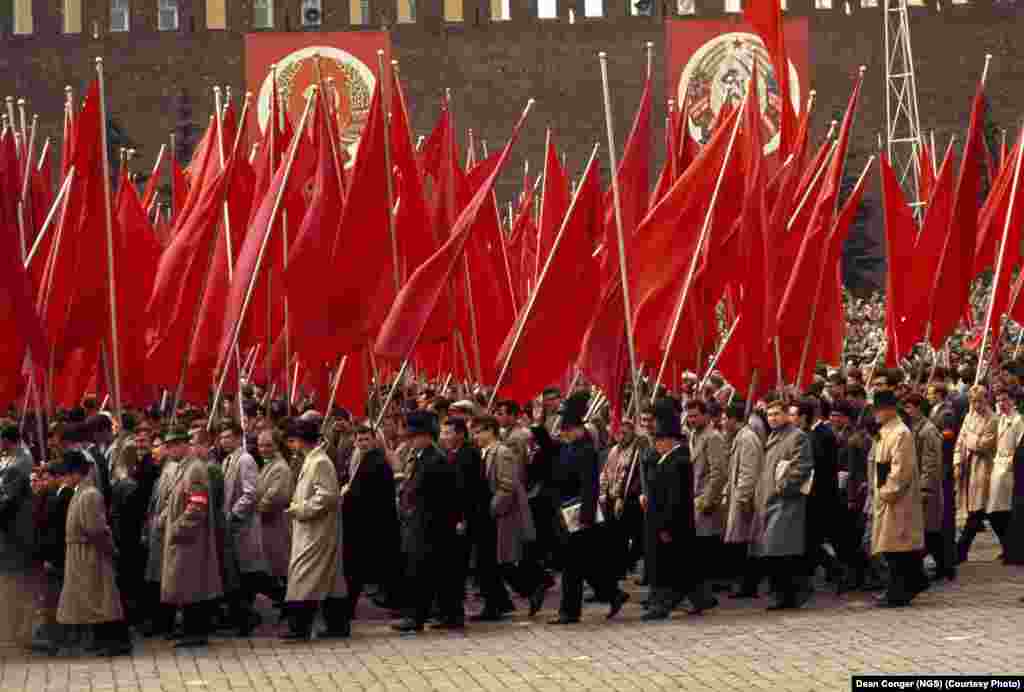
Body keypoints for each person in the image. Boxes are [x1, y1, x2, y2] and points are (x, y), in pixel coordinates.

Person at [536, 392, 628, 625]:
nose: (563, 434)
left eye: (567, 430)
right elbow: (549, 447)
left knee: (573, 563)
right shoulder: (569, 446)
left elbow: (590, 486)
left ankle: (570, 611)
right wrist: (538, 425)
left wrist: (586, 517)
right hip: (566, 511)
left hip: (580, 512)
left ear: (578, 429)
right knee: (583, 562)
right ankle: (612, 593)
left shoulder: (586, 449)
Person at [55, 450, 133, 656]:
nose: (64, 478)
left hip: (91, 555)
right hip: (83, 554)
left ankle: (116, 642)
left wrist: (110, 550)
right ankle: (102, 640)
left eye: (66, 473)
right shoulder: (80, 492)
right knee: (95, 599)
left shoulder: (89, 494)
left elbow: (96, 529)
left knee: (103, 599)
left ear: (75, 473)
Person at [471, 415, 545, 621]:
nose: (475, 436)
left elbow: (507, 486)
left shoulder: (502, 452)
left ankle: (532, 588)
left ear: (490, 431)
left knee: (502, 561)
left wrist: (491, 509)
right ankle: (498, 603)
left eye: (478, 432)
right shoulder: (485, 452)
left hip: (502, 515)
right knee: (492, 562)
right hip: (491, 515)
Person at [281, 418, 350, 641]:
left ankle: (299, 626)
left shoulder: (319, 462)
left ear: (301, 440)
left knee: (304, 576)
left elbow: (327, 496)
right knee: (328, 579)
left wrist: (301, 509)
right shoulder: (313, 459)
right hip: (314, 529)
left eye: (293, 440)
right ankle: (337, 625)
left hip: (317, 529)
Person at [641, 398, 707, 620]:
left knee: (670, 566)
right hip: (663, 521)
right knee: (681, 566)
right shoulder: (665, 460)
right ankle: (698, 598)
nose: (657, 446)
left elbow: (674, 499)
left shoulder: (677, 462)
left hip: (672, 523)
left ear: (669, 441)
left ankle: (663, 603)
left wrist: (665, 526)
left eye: (660, 441)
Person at [393, 411, 459, 633]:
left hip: (430, 524)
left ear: (426, 436)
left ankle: (417, 616)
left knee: (422, 572)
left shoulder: (435, 459)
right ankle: (443, 614)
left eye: (413, 436)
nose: (410, 441)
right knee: (428, 572)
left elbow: (430, 493)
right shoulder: (422, 457)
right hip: (420, 522)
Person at [161, 428, 224, 648]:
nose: (168, 450)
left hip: (191, 538)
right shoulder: (185, 467)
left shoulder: (194, 469)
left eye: (171, 446)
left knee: (193, 585)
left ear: (182, 445)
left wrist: (178, 528)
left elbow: (197, 505)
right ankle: (191, 630)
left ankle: (195, 632)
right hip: (187, 538)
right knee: (187, 585)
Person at [750, 399, 814, 610]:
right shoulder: (772, 436)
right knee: (775, 552)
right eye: (769, 415)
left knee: (780, 551)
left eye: (777, 414)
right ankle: (785, 594)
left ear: (787, 414)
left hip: (786, 502)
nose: (773, 418)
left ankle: (790, 593)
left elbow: (802, 466)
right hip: (769, 501)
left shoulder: (797, 436)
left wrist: (783, 487)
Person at [870, 390, 927, 607]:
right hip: (887, 496)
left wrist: (887, 492)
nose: (876, 413)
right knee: (893, 547)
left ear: (890, 410)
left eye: (880, 409)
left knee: (896, 547)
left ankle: (898, 590)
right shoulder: (886, 431)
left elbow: (901, 469)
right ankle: (909, 584)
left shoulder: (901, 433)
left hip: (897, 498)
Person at [342, 426, 399, 623]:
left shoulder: (376, 461)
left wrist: (347, 495)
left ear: (374, 440)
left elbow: (364, 494)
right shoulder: (363, 459)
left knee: (362, 568)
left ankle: (350, 608)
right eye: (360, 440)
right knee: (366, 569)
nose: (363, 443)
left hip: (372, 524)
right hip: (369, 523)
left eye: (366, 439)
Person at [219, 423, 266, 636]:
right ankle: (242, 618)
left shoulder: (245, 460)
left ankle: (247, 620)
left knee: (245, 576)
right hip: (232, 529)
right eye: (222, 437)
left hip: (243, 526)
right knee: (236, 575)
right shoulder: (227, 460)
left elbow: (251, 493)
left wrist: (234, 513)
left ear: (238, 438)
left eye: (228, 436)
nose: (224, 441)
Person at [722, 402, 765, 598]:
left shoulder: (747, 439)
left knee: (746, 543)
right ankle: (744, 584)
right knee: (742, 542)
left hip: (745, 498)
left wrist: (743, 498)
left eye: (725, 418)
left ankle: (747, 585)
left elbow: (748, 472)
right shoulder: (741, 437)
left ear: (734, 419)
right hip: (739, 496)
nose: (723, 422)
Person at [0, 423, 37, 647]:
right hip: (13, 531)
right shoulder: (13, 458)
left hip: (16, 531)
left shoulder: (19, 462)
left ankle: (18, 632)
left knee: (16, 582)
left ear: (6, 440)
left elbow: (8, 501)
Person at [687, 399, 727, 603]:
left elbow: (718, 473)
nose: (691, 420)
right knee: (698, 549)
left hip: (705, 501)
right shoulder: (693, 435)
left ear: (706, 415)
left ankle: (706, 595)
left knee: (704, 549)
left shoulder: (713, 437)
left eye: (695, 415)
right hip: (693, 499)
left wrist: (707, 500)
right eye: (689, 416)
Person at [903, 393, 946, 581]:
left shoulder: (928, 430)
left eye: (909, 407)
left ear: (918, 408)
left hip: (928, 488)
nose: (907, 411)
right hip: (919, 485)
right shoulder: (916, 427)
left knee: (929, 531)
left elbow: (930, 463)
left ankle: (943, 566)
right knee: (928, 532)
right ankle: (943, 566)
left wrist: (925, 488)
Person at [955, 385, 999, 563]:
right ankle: (1011, 546)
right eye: (973, 401)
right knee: (992, 514)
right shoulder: (969, 416)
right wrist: (957, 462)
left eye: (979, 401)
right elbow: (960, 440)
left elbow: (983, 445)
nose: (976, 405)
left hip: (983, 468)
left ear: (986, 399)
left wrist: (970, 438)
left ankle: (960, 551)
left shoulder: (993, 419)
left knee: (977, 511)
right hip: (967, 467)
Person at [254, 429, 294, 607]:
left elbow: (274, 498)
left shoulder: (280, 468)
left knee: (280, 567)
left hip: (276, 523)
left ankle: (289, 603)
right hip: (267, 524)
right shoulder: (269, 464)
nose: (263, 449)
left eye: (268, 445)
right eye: (260, 445)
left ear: (277, 445)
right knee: (273, 567)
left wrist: (254, 509)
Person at [987, 388, 1023, 561]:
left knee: (1004, 512)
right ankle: (1008, 546)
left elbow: (1019, 447)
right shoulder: (1000, 419)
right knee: (994, 512)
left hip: (1008, 470)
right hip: (997, 466)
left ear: (1013, 401)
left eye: (1004, 400)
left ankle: (1010, 548)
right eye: (998, 400)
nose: (1001, 403)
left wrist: (1010, 464)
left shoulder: (1018, 420)